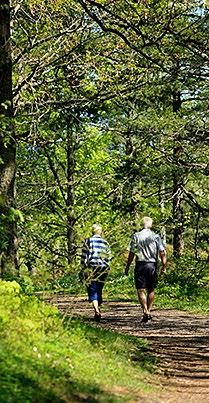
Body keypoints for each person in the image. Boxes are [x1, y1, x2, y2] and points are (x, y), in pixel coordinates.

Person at [125, 216, 167, 323]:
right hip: (152, 264)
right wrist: (164, 265)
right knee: (151, 289)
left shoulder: (136, 236)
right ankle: (149, 310)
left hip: (140, 264)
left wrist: (128, 265)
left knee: (140, 289)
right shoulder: (156, 236)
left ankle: (144, 310)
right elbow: (162, 252)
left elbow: (132, 253)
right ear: (151, 225)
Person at [80, 224, 111, 322]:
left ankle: (96, 310)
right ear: (100, 232)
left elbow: (84, 256)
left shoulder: (88, 241)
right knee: (99, 287)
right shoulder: (105, 242)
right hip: (103, 267)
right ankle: (98, 305)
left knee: (92, 288)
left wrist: (82, 268)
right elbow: (109, 257)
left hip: (91, 267)